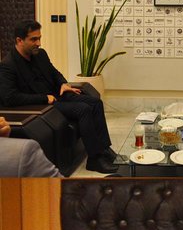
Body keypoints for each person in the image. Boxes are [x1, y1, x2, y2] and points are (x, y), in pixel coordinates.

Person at [0, 20, 117, 174]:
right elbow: (9, 98)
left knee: (95, 103)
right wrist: (44, 98)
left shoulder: (40, 54)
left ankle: (104, 149)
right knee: (83, 109)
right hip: (43, 106)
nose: (39, 43)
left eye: (39, 38)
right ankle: (94, 160)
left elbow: (54, 72)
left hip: (58, 95)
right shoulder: (7, 65)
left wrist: (63, 83)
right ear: (19, 40)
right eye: (34, 39)